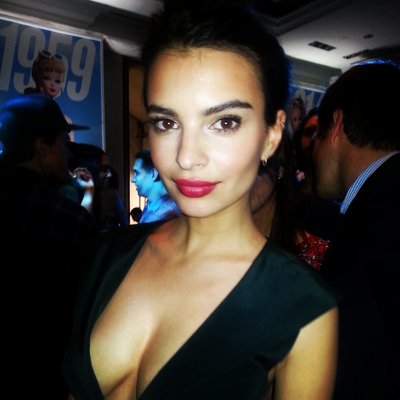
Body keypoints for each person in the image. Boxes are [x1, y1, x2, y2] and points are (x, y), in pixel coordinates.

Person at [63, 3, 338, 399]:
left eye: (224, 122)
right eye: (166, 122)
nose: (187, 157)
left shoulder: (302, 308)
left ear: (272, 134)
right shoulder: (107, 255)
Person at [312, 61, 400, 399]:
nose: (314, 151)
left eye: (317, 135)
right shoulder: (379, 199)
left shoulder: (386, 211)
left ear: (335, 126)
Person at [0, 93, 96, 398]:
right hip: (44, 377)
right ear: (42, 147)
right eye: (63, 144)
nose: (68, 154)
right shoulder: (65, 218)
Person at [251, 134, 330, 271]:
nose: (246, 177)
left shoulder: (316, 255)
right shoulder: (217, 244)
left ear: (280, 169)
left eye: (256, 164)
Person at [68, 141, 130, 233]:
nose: (109, 174)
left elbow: (125, 226)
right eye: (103, 169)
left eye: (108, 168)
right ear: (87, 168)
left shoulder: (111, 195)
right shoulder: (69, 194)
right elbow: (80, 231)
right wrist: (89, 191)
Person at [132, 148, 180, 223]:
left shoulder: (163, 216)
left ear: (154, 174)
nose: (133, 179)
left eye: (137, 173)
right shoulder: (151, 204)